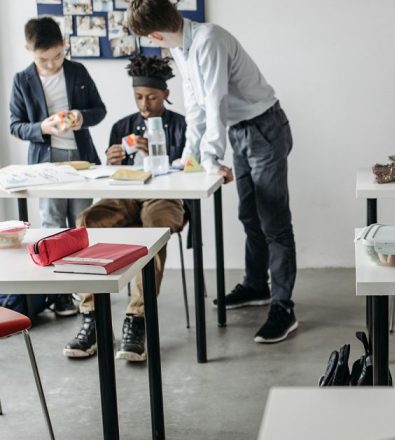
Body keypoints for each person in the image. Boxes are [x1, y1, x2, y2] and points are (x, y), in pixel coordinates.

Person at [127, 0, 298, 343]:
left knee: (273, 221)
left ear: (156, 32)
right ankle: (256, 286)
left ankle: (284, 307)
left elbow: (215, 100)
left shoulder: (209, 40)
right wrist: (190, 155)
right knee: (249, 214)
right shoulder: (181, 48)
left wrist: (210, 156)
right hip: (240, 130)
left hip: (264, 128)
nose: (153, 43)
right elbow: (195, 106)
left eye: (149, 38)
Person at [63, 55, 186, 360]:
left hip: (165, 196)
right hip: (125, 193)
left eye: (152, 97)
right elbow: (109, 176)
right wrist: (113, 160)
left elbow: (191, 168)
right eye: (138, 97)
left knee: (154, 231)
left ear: (166, 94)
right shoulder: (122, 126)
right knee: (87, 221)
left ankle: (137, 318)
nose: (144, 104)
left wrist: (162, 155)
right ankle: (91, 316)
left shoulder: (182, 125)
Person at [9, 17, 107, 317]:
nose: (51, 65)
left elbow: (99, 110)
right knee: (52, 226)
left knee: (81, 224)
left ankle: (83, 290)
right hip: (45, 164)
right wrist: (42, 127)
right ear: (30, 50)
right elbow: (16, 125)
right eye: (43, 59)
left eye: (57, 57)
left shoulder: (78, 71)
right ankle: (60, 294)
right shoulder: (22, 79)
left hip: (80, 160)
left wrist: (80, 116)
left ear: (64, 46)